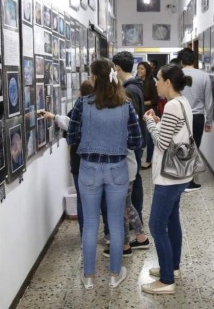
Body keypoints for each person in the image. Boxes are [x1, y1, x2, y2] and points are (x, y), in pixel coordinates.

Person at [66, 59, 143, 290]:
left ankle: (88, 276)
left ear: (95, 78)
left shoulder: (82, 103)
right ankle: (114, 274)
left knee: (90, 223)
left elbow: (71, 136)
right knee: (115, 224)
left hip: (88, 168)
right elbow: (136, 141)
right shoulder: (125, 105)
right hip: (117, 169)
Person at [141, 64, 194, 295]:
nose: (155, 83)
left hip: (168, 177)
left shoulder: (172, 105)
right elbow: (174, 133)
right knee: (172, 220)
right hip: (181, 174)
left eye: (158, 79)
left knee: (156, 225)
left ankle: (166, 280)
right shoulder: (182, 102)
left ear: (168, 83)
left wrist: (150, 122)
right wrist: (159, 120)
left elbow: (162, 144)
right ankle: (172, 268)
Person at [43, 80, 94, 238]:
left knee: (83, 199)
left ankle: (85, 234)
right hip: (96, 162)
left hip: (80, 162)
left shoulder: (79, 107)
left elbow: (71, 128)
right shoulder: (103, 109)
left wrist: (54, 117)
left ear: (80, 93)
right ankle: (105, 233)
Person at [112, 51, 147, 223]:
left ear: (117, 68)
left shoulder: (130, 90)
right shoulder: (133, 86)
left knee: (134, 181)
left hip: (133, 144)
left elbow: (128, 120)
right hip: (136, 142)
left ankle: (135, 218)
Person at [176, 48, 213, 192]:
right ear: (194, 60)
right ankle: (188, 181)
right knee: (193, 148)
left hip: (180, 114)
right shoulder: (204, 76)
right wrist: (209, 121)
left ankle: (179, 178)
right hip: (197, 117)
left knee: (179, 145)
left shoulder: (177, 75)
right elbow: (209, 101)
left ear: (181, 61)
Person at [137, 61, 158, 169]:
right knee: (142, 137)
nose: (139, 71)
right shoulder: (137, 82)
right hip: (140, 113)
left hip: (150, 112)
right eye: (138, 68)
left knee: (150, 138)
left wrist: (143, 102)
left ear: (147, 70)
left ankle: (149, 160)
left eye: (142, 69)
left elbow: (156, 99)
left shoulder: (151, 82)